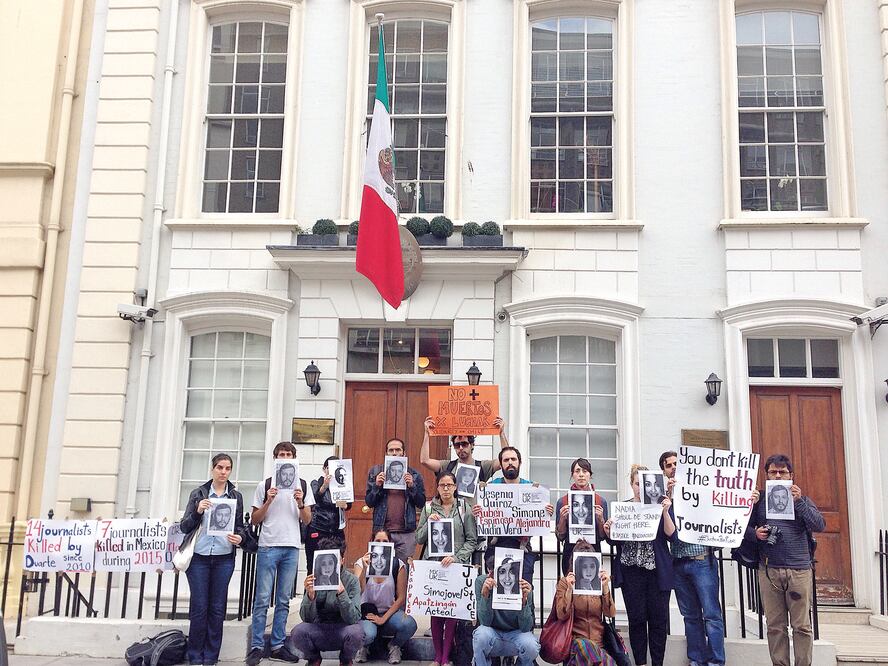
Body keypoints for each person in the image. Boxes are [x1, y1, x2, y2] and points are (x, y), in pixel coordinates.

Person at [745, 454, 824, 666]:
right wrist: (756, 532)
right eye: (773, 472)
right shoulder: (759, 501)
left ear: (791, 475)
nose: (778, 476)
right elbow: (741, 530)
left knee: (802, 626)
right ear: (766, 476)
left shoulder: (803, 501)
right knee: (775, 626)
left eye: (783, 472)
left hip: (799, 570)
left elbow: (819, 525)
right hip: (770, 570)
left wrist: (799, 503)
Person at [246, 441, 314, 666]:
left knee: (284, 599)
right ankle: (256, 646)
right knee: (262, 599)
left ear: (294, 458)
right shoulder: (264, 484)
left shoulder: (302, 485)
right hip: (268, 545)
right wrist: (268, 500)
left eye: (288, 455)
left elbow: (307, 520)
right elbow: (255, 520)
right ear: (275, 459)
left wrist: (300, 501)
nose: (284, 458)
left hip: (292, 546)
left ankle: (277, 645)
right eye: (281, 455)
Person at [178, 453, 249, 666]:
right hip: (199, 557)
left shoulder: (235, 496)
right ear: (212, 469)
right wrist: (198, 511)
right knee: (199, 607)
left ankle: (210, 657)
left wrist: (241, 537)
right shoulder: (199, 493)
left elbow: (240, 526)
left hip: (223, 558)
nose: (223, 472)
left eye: (227, 468)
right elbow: (184, 526)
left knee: (217, 608)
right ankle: (195, 657)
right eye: (220, 467)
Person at [603, 464, 676, 666]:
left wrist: (666, 513)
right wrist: (609, 530)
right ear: (632, 484)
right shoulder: (623, 508)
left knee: (658, 621)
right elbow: (613, 541)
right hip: (631, 572)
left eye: (644, 484)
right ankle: (641, 663)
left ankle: (657, 663)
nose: (640, 488)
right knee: (636, 620)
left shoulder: (661, 506)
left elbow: (672, 535)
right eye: (637, 484)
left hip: (656, 573)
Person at [660, 449, 725, 666]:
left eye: (676, 463)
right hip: (679, 564)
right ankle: (696, 660)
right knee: (690, 617)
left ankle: (716, 662)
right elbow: (670, 534)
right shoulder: (662, 497)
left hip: (701, 561)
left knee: (712, 615)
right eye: (669, 465)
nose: (673, 467)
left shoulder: (700, 488)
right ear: (664, 471)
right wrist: (668, 498)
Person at [416, 471, 478, 666]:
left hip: (455, 567)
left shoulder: (464, 509)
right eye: (442, 485)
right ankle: (437, 656)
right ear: (437, 488)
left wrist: (457, 557)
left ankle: (445, 658)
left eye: (449, 485)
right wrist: (429, 523)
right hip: (434, 565)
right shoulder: (428, 508)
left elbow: (472, 539)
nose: (445, 489)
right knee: (436, 611)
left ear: (455, 487)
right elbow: (419, 538)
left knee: (451, 611)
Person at [472, 447, 555, 583]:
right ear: (501, 464)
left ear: (519, 463)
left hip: (523, 547)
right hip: (496, 546)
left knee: (524, 591)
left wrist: (546, 512)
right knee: (497, 590)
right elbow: (483, 517)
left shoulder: (531, 488)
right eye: (506, 460)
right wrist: (478, 513)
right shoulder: (491, 487)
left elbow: (537, 518)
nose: (510, 462)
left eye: (513, 459)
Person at [290, 536, 363, 666]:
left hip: (343, 628)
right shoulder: (313, 580)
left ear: (341, 561)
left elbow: (354, 618)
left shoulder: (352, 580)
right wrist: (310, 596)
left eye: (332, 561)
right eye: (324, 562)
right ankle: (314, 658)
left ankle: (346, 659)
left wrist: (342, 593)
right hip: (319, 628)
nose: (328, 566)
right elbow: (306, 618)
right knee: (298, 632)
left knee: (357, 633)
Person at [354, 529, 417, 664]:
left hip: (389, 614)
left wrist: (383, 619)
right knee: (369, 634)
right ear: (372, 542)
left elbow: (401, 598)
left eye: (385, 542)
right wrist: (365, 569)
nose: (381, 544)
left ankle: (394, 645)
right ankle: (364, 646)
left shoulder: (397, 565)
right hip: (367, 614)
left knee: (409, 624)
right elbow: (357, 591)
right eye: (378, 541)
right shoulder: (360, 563)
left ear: (391, 544)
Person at [553, 541, 617, 665]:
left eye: (592, 566)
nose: (588, 570)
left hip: (598, 644)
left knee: (592, 652)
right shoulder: (564, 583)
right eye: (584, 566)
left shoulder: (599, 583)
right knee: (587, 648)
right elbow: (561, 615)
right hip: (575, 644)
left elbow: (611, 613)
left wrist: (605, 588)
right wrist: (569, 590)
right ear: (577, 565)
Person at [365, 438, 427, 563]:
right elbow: (369, 502)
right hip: (382, 532)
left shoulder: (414, 475)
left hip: (406, 533)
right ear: (386, 454)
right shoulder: (376, 472)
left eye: (398, 450)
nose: (394, 453)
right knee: (380, 568)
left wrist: (412, 486)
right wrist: (377, 485)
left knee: (404, 570)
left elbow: (421, 503)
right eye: (391, 450)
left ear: (404, 453)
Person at [473, 553, 539, 666]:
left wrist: (523, 602)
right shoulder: (482, 581)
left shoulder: (524, 586)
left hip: (516, 634)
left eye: (512, 572)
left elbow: (526, 627)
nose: (507, 578)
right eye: (501, 571)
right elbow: (485, 622)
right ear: (490, 572)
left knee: (531, 645)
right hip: (492, 633)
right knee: (481, 635)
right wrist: (485, 595)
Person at [419, 415, 510, 489]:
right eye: (457, 445)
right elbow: (425, 460)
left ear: (472, 445)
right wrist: (427, 434)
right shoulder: (447, 466)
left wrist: (501, 434)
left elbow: (505, 459)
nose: (461, 448)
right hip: (453, 511)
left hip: (475, 511)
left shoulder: (483, 466)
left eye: (464, 444)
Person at [556, 458, 608, 575]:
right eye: (577, 471)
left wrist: (601, 520)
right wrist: (563, 519)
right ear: (572, 475)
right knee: (569, 588)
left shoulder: (600, 501)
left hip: (593, 550)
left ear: (590, 475)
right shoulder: (563, 501)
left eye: (584, 471)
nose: (581, 475)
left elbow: (602, 536)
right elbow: (560, 536)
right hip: (570, 551)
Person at [306, 455, 352, 575]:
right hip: (319, 528)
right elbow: (315, 498)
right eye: (329, 468)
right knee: (313, 566)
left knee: (336, 566)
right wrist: (324, 486)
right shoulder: (316, 483)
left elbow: (349, 503)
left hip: (336, 530)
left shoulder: (343, 484)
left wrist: (345, 505)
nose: (331, 471)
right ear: (324, 469)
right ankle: (310, 593)